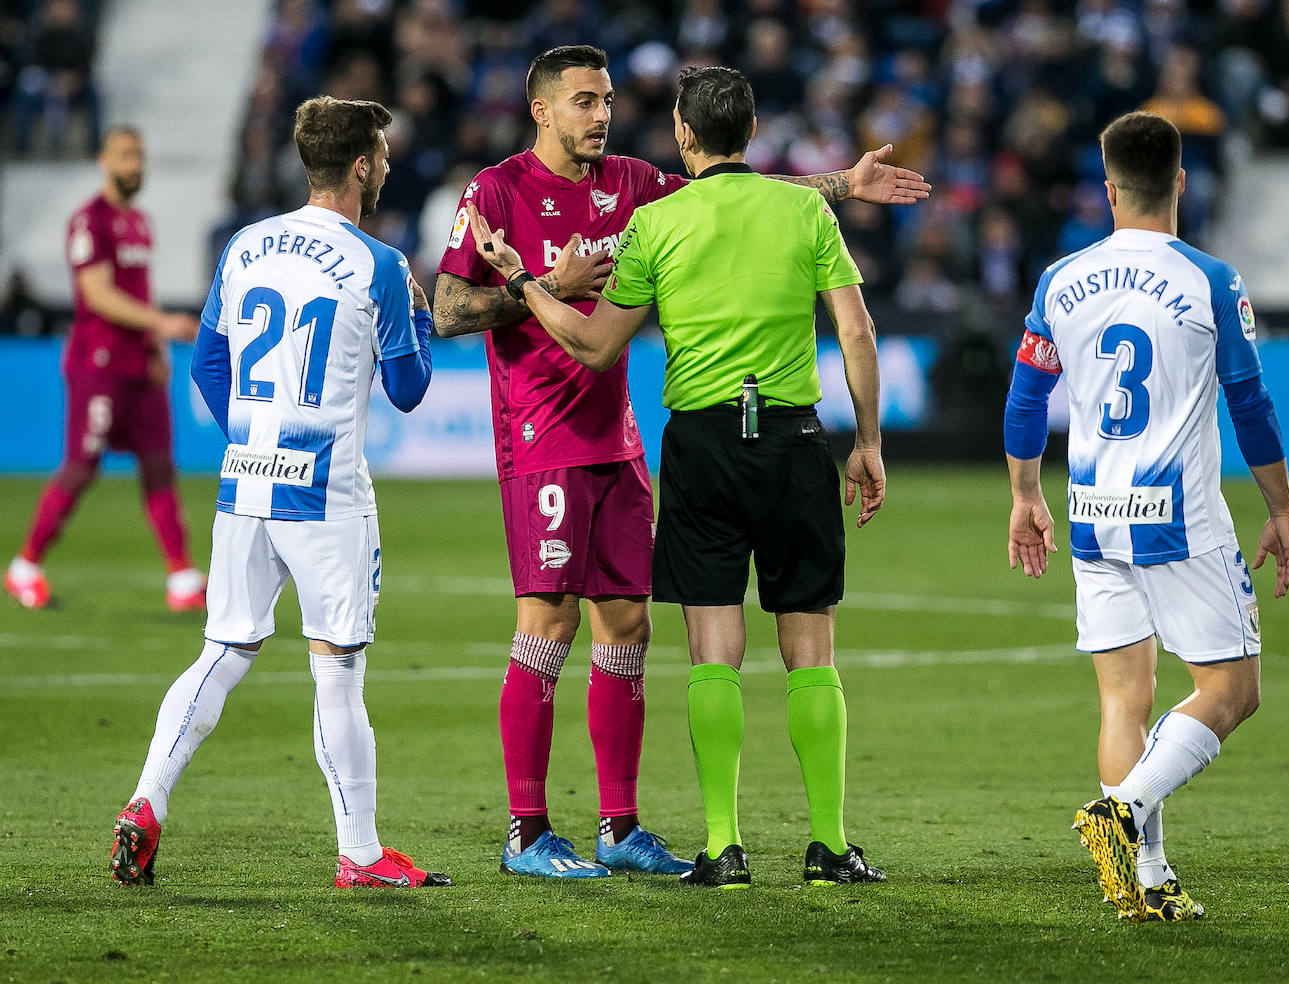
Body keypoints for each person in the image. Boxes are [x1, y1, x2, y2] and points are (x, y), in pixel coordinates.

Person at [433, 44, 928, 881]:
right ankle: (526, 828)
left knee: (629, 628)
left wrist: (843, 182)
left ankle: (620, 827)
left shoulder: (633, 187)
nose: (601, 114)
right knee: (547, 627)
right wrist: (534, 284)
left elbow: (737, 195)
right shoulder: (497, 191)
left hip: (620, 442)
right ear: (543, 111)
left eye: (608, 99)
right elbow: (447, 311)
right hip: (540, 438)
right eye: (584, 101)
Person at [109, 96, 448, 891]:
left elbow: (206, 367)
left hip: (247, 483)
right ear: (362, 164)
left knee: (223, 649)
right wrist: (423, 320)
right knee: (338, 669)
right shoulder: (381, 263)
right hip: (328, 492)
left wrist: (254, 444)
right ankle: (360, 853)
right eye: (384, 154)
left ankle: (146, 800)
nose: (389, 164)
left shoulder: (246, 245)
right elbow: (408, 390)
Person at [1003, 111, 1289, 921]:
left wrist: (1027, 495)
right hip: (1180, 519)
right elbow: (1250, 403)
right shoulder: (1210, 278)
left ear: (1107, 186)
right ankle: (1123, 817)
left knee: (1123, 701)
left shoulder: (1061, 278)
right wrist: (1281, 508)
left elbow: (1028, 393)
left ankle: (1147, 881)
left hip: (1095, 513)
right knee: (1232, 690)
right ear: (1180, 181)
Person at [4, 127, 205, 612]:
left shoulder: (140, 222)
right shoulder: (87, 222)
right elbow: (96, 294)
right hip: (99, 363)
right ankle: (25, 565)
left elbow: (139, 288)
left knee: (159, 466)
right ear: (104, 162)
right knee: (81, 467)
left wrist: (154, 346)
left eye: (139, 156)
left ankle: (182, 578)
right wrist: (162, 322)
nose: (136, 165)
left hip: (139, 361)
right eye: (125, 156)